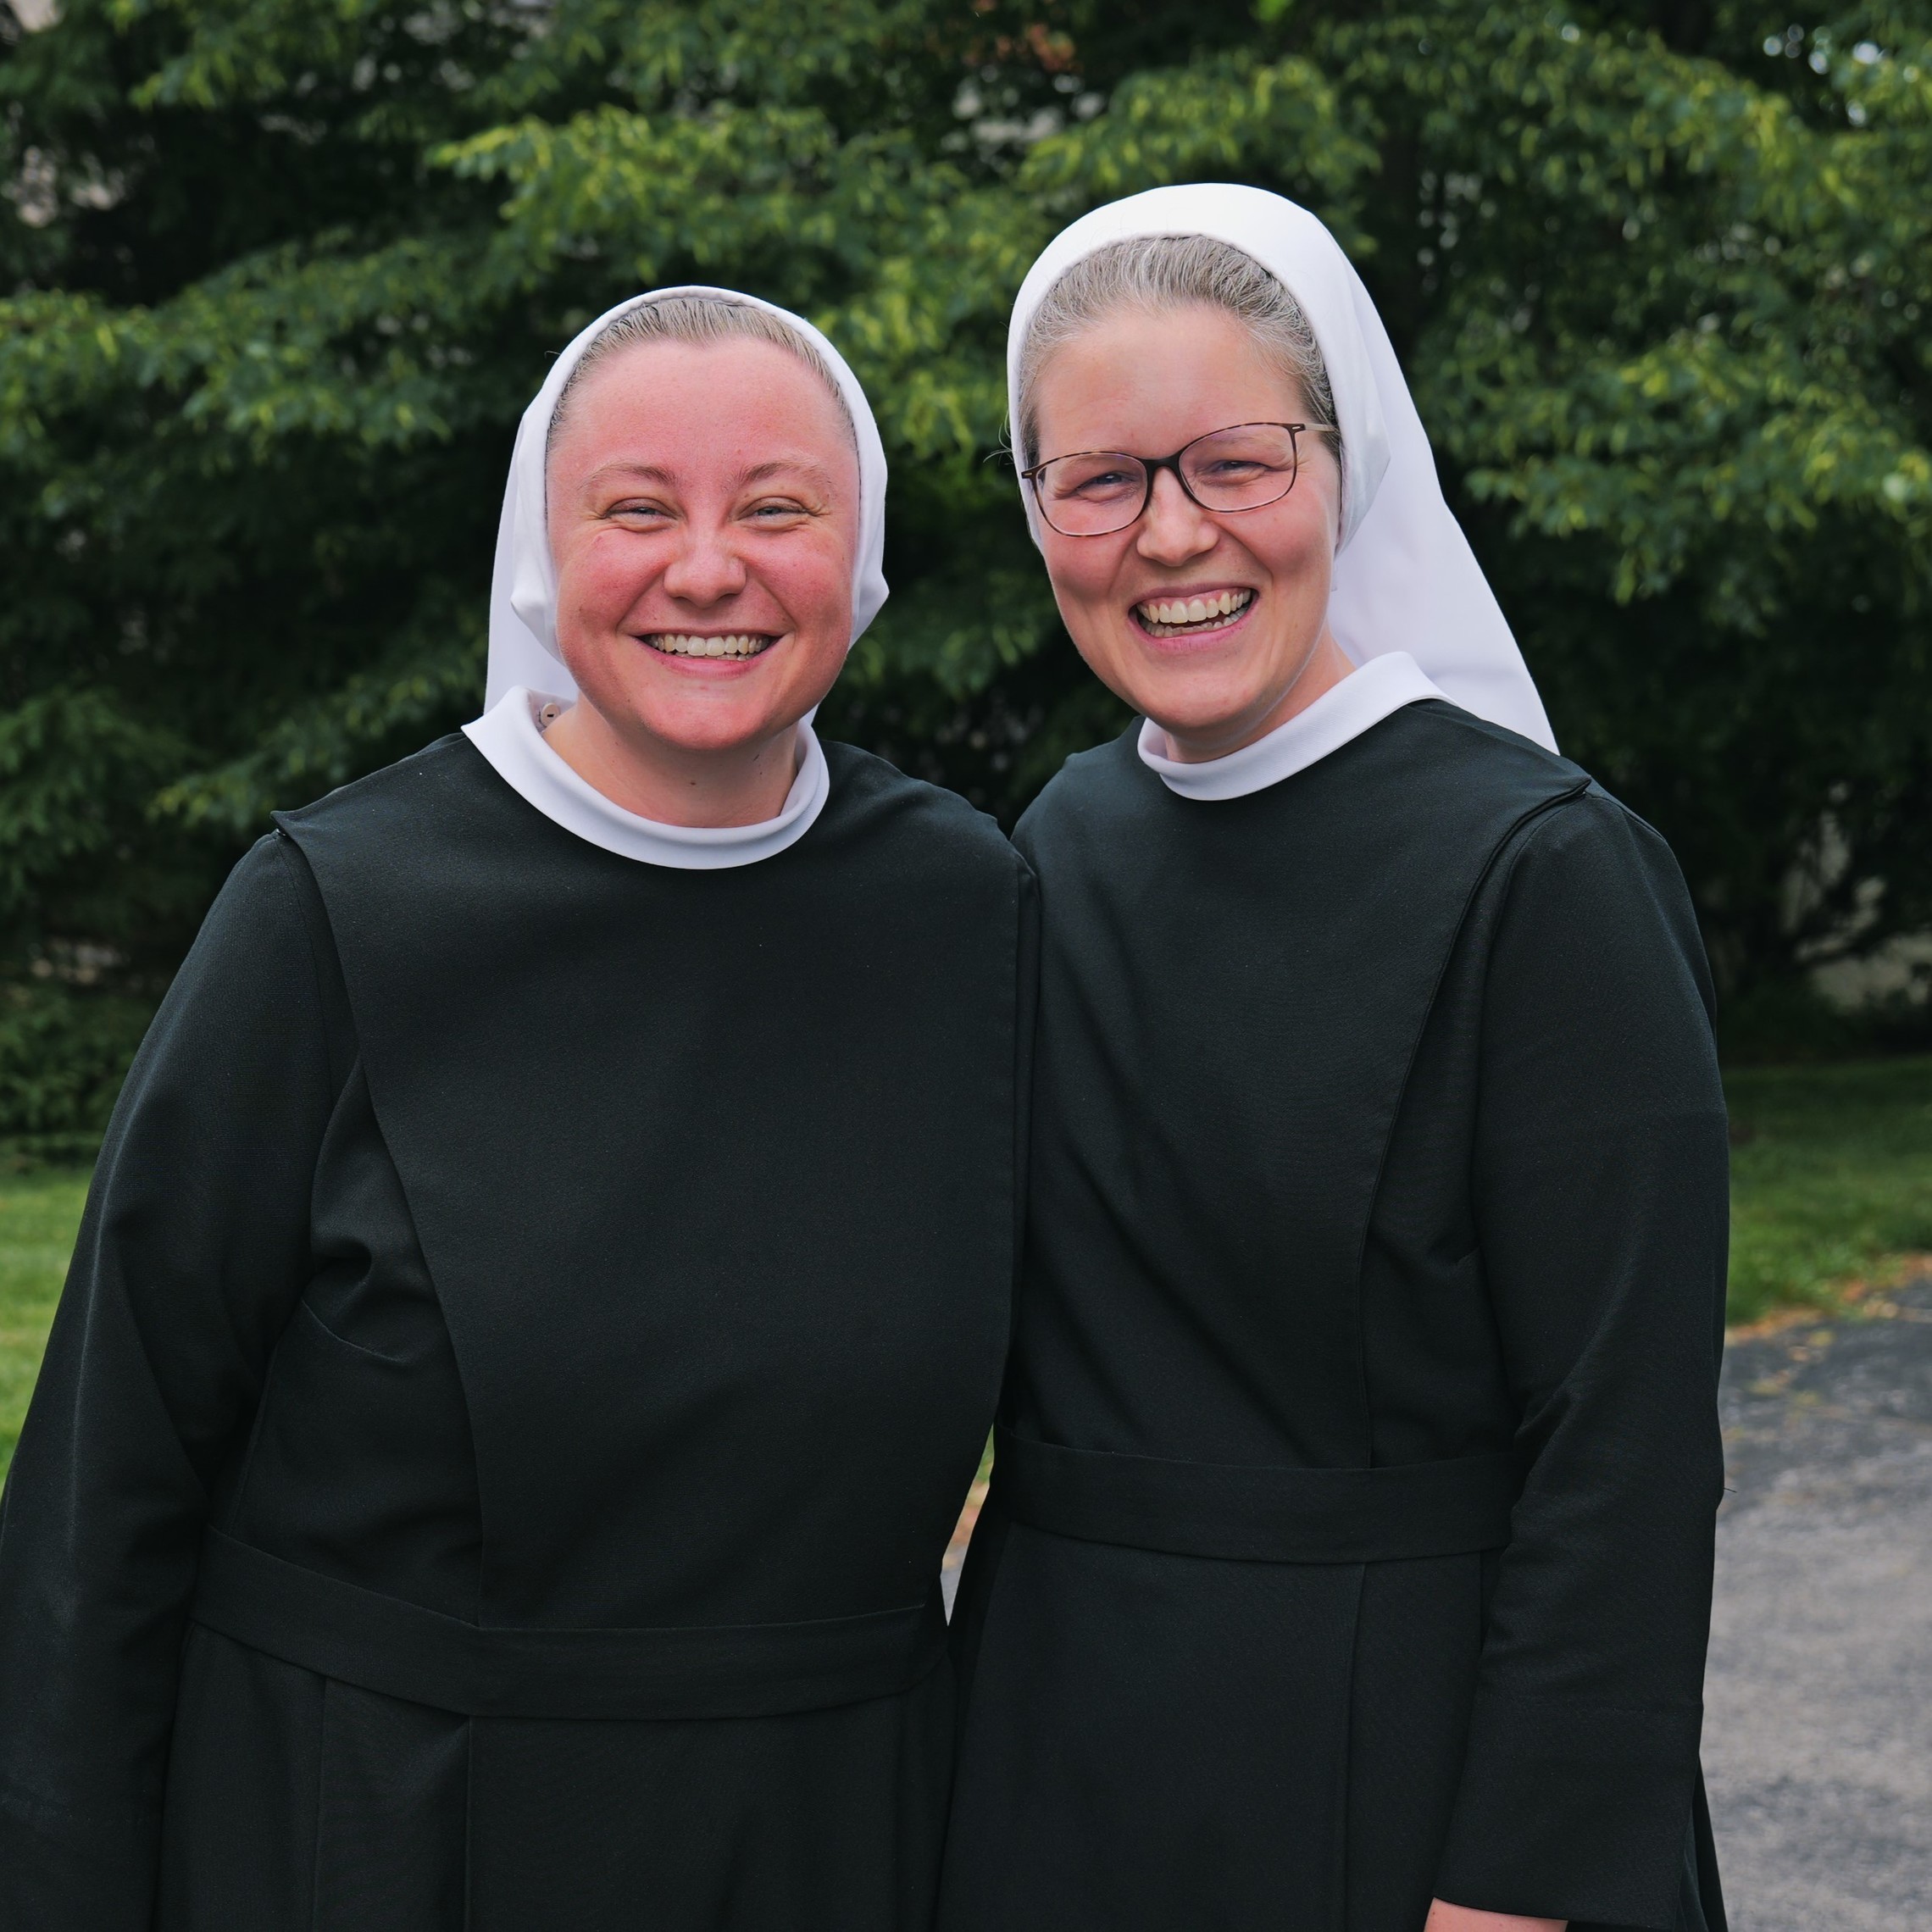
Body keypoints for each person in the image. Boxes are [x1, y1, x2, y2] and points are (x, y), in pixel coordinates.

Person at [0, 287, 1033, 1930]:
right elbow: (105, 1499)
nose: (708, 567)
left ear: (868, 556)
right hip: (384, 1839)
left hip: (833, 1836)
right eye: (639, 510)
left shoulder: (966, 909)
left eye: (777, 509)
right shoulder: (334, 909)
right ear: (546, 557)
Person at [938, 186, 1729, 1932]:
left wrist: (1521, 1886)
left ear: (1340, 466)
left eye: (1235, 460)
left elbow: (1629, 1447)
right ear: (1039, 510)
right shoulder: (1056, 841)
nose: (1172, 534)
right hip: (1053, 1758)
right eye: (1105, 477)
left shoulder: (1547, 872)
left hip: (1412, 1779)